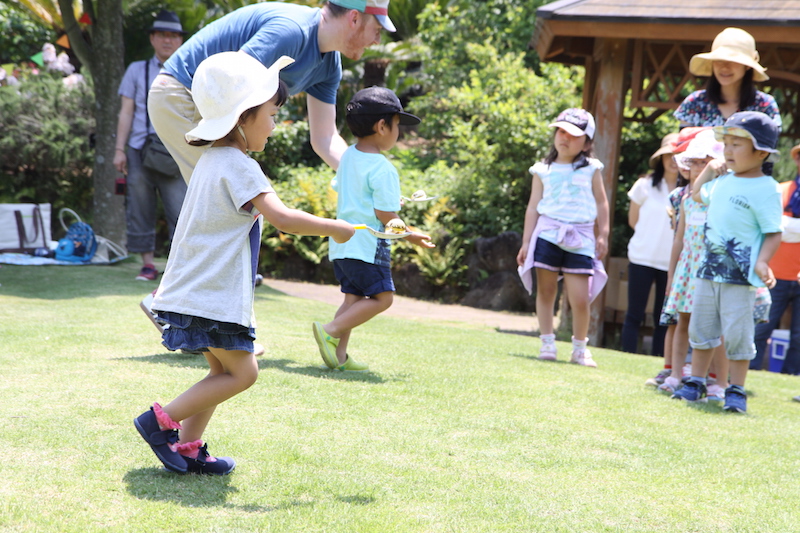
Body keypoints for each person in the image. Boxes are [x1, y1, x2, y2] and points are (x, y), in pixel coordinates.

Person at [134, 52, 354, 474]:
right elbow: (284, 219)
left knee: (220, 369)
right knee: (243, 373)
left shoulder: (211, 162)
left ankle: (186, 447)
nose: (275, 124)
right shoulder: (240, 167)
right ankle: (159, 421)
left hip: (199, 293)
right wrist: (336, 227)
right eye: (271, 114)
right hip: (212, 297)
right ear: (242, 119)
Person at [149, 0, 395, 182]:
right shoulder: (291, 31)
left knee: (235, 195)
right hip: (180, 93)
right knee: (230, 191)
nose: (377, 41)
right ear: (354, 19)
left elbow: (325, 138)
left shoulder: (330, 67)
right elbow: (231, 83)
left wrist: (367, 179)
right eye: (377, 30)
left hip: (212, 110)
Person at [311, 87, 434, 372]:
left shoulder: (349, 158)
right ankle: (330, 329)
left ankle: (339, 357)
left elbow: (349, 191)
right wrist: (411, 235)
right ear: (382, 126)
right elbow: (386, 215)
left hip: (342, 245)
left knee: (353, 298)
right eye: (397, 125)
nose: (398, 132)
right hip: (368, 247)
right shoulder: (383, 168)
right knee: (383, 298)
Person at [672, 111, 782, 413]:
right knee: (701, 328)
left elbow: (774, 232)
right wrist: (709, 169)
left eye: (737, 145)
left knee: (737, 334)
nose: (728, 151)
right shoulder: (723, 182)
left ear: (760, 151)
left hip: (741, 278)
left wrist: (762, 262)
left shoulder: (767, 188)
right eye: (727, 144)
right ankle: (695, 382)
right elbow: (696, 194)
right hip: (707, 271)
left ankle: (736, 390)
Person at [517, 108, 610, 368]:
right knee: (546, 291)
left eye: (573, 134)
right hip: (547, 234)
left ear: (587, 142)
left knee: (580, 298)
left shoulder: (592, 168)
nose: (564, 137)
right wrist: (526, 242)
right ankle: (547, 341)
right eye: (560, 131)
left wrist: (602, 234)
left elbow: (602, 203)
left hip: (581, 237)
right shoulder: (542, 169)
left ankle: (580, 348)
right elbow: (533, 207)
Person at [114, 10, 186, 281]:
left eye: (174, 35)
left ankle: (179, 268)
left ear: (180, 40)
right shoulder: (136, 70)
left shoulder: (190, 70)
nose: (168, 40)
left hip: (176, 150)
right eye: (163, 35)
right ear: (153, 38)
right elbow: (126, 112)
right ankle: (147, 264)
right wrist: (119, 150)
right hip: (138, 149)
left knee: (180, 208)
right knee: (139, 205)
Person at [657, 129, 729, 400]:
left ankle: (719, 381)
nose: (700, 167)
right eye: (696, 162)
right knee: (683, 323)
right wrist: (671, 275)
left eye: (706, 161)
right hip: (688, 270)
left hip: (713, 269)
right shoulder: (686, 199)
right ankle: (676, 374)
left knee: (716, 329)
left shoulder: (723, 196)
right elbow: (679, 239)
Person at [621, 133, 680, 357]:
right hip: (641, 257)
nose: (673, 160)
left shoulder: (690, 191)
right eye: (669, 155)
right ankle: (626, 355)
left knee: (663, 318)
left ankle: (659, 360)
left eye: (678, 155)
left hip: (670, 263)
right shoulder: (644, 185)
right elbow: (632, 220)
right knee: (633, 314)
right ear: (661, 158)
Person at [751, 143, 800, 374]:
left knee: (799, 337)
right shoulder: (780, 190)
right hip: (774, 274)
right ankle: (747, 374)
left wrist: (788, 228)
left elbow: (783, 228)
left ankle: (792, 378)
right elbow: (771, 226)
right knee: (761, 328)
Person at [675, 27, 780, 129]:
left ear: (747, 66)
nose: (724, 67)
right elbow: (682, 142)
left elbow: (769, 143)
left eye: (733, 61)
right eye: (719, 60)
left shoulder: (764, 105)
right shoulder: (695, 102)